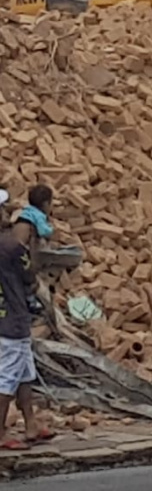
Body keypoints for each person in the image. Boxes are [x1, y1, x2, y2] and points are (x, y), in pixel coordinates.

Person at [0, 186, 55, 449]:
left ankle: (31, 424)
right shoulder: (11, 246)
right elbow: (30, 278)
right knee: (7, 378)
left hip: (3, 317)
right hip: (13, 319)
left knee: (24, 373)